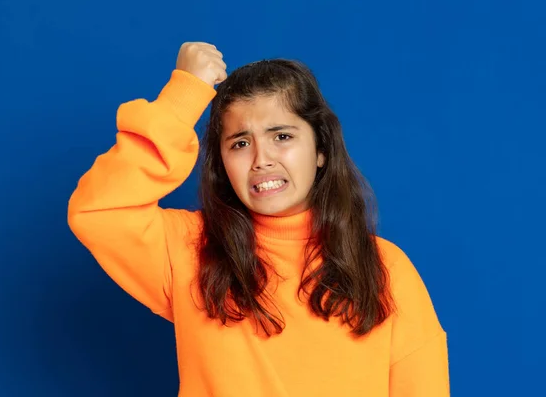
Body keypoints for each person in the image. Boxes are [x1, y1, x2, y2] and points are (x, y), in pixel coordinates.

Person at [67, 41, 450, 396]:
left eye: (282, 136)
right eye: (240, 143)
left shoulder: (385, 268)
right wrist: (183, 95)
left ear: (320, 150)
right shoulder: (187, 249)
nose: (261, 159)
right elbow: (100, 211)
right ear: (221, 163)